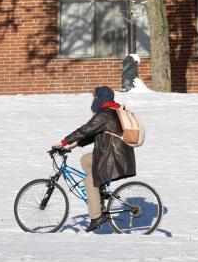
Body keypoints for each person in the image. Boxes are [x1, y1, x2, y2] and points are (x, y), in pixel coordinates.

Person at [52, 85, 136, 232]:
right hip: (116, 154)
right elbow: (96, 133)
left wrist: (64, 142)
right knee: (86, 160)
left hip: (113, 156)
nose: (93, 100)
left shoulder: (105, 114)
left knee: (89, 180)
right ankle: (100, 189)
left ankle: (96, 216)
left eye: (95, 97)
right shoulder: (113, 111)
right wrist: (76, 144)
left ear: (100, 98)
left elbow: (86, 129)